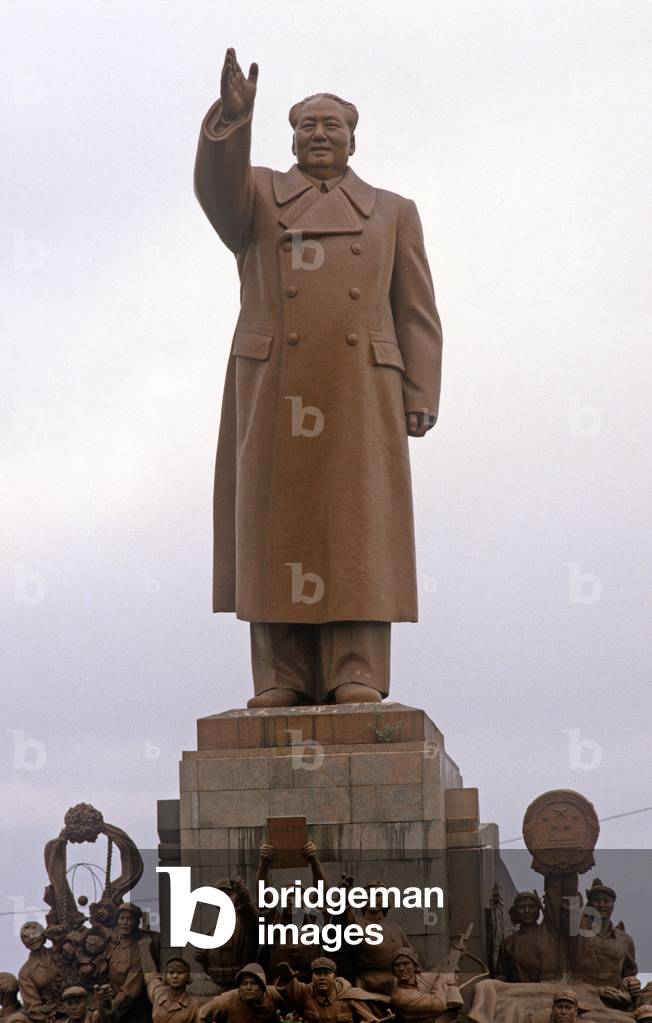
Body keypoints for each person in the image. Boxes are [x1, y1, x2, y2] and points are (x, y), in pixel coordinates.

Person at [194, 48, 443, 707]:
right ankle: (281, 674)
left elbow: (414, 309)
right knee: (277, 522)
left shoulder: (392, 210)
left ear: (353, 138)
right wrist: (231, 119)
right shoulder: (259, 196)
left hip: (362, 385)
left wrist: (420, 390)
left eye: (332, 125)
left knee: (358, 527)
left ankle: (354, 668)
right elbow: (215, 192)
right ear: (291, 137)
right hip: (276, 379)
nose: (319, 135)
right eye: (307, 125)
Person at [256, 841, 328, 980]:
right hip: (279, 987)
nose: (291, 900)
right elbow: (262, 892)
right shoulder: (274, 922)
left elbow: (321, 891)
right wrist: (264, 863)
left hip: (311, 988)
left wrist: (314, 860)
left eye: (296, 895)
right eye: (288, 896)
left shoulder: (313, 921)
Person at [570, 879, 640, 1007]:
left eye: (606, 901)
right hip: (580, 994)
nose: (602, 905)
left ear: (612, 905)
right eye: (596, 900)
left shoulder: (625, 940)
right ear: (590, 904)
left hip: (614, 999)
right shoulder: (579, 930)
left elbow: (629, 973)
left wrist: (631, 982)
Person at [185, 877, 258, 995]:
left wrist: (242, 895)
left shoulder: (244, 922)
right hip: (219, 985)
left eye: (227, 895)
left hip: (241, 986)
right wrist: (204, 958)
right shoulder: (215, 928)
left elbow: (248, 914)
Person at [274, 958, 377, 1023]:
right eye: (317, 973)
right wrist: (287, 979)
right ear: (312, 977)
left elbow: (369, 1018)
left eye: (326, 973)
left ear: (335, 977)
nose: (322, 977)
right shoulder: (305, 993)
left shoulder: (348, 995)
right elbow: (292, 991)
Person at [389, 948, 462, 1023]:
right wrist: (442, 980)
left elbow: (436, 971)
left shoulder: (419, 979)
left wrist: (454, 954)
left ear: (414, 966)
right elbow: (440, 1004)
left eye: (406, 964)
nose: (401, 968)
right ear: (393, 970)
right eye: (397, 965)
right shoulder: (400, 997)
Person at [198, 964, 283, 1023]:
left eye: (253, 983)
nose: (248, 987)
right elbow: (201, 1016)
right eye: (244, 984)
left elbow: (294, 1001)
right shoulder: (225, 1001)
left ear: (262, 986)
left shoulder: (272, 995)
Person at [140, 939, 198, 1023]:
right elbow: (150, 976)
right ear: (166, 976)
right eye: (171, 972)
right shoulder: (159, 995)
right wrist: (144, 947)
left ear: (187, 977)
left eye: (180, 973)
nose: (175, 976)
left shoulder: (194, 1006)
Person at [17, 922, 60, 1023]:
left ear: (43, 935)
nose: (32, 938)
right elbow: (33, 1007)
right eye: (26, 937)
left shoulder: (59, 953)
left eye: (35, 934)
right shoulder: (25, 972)